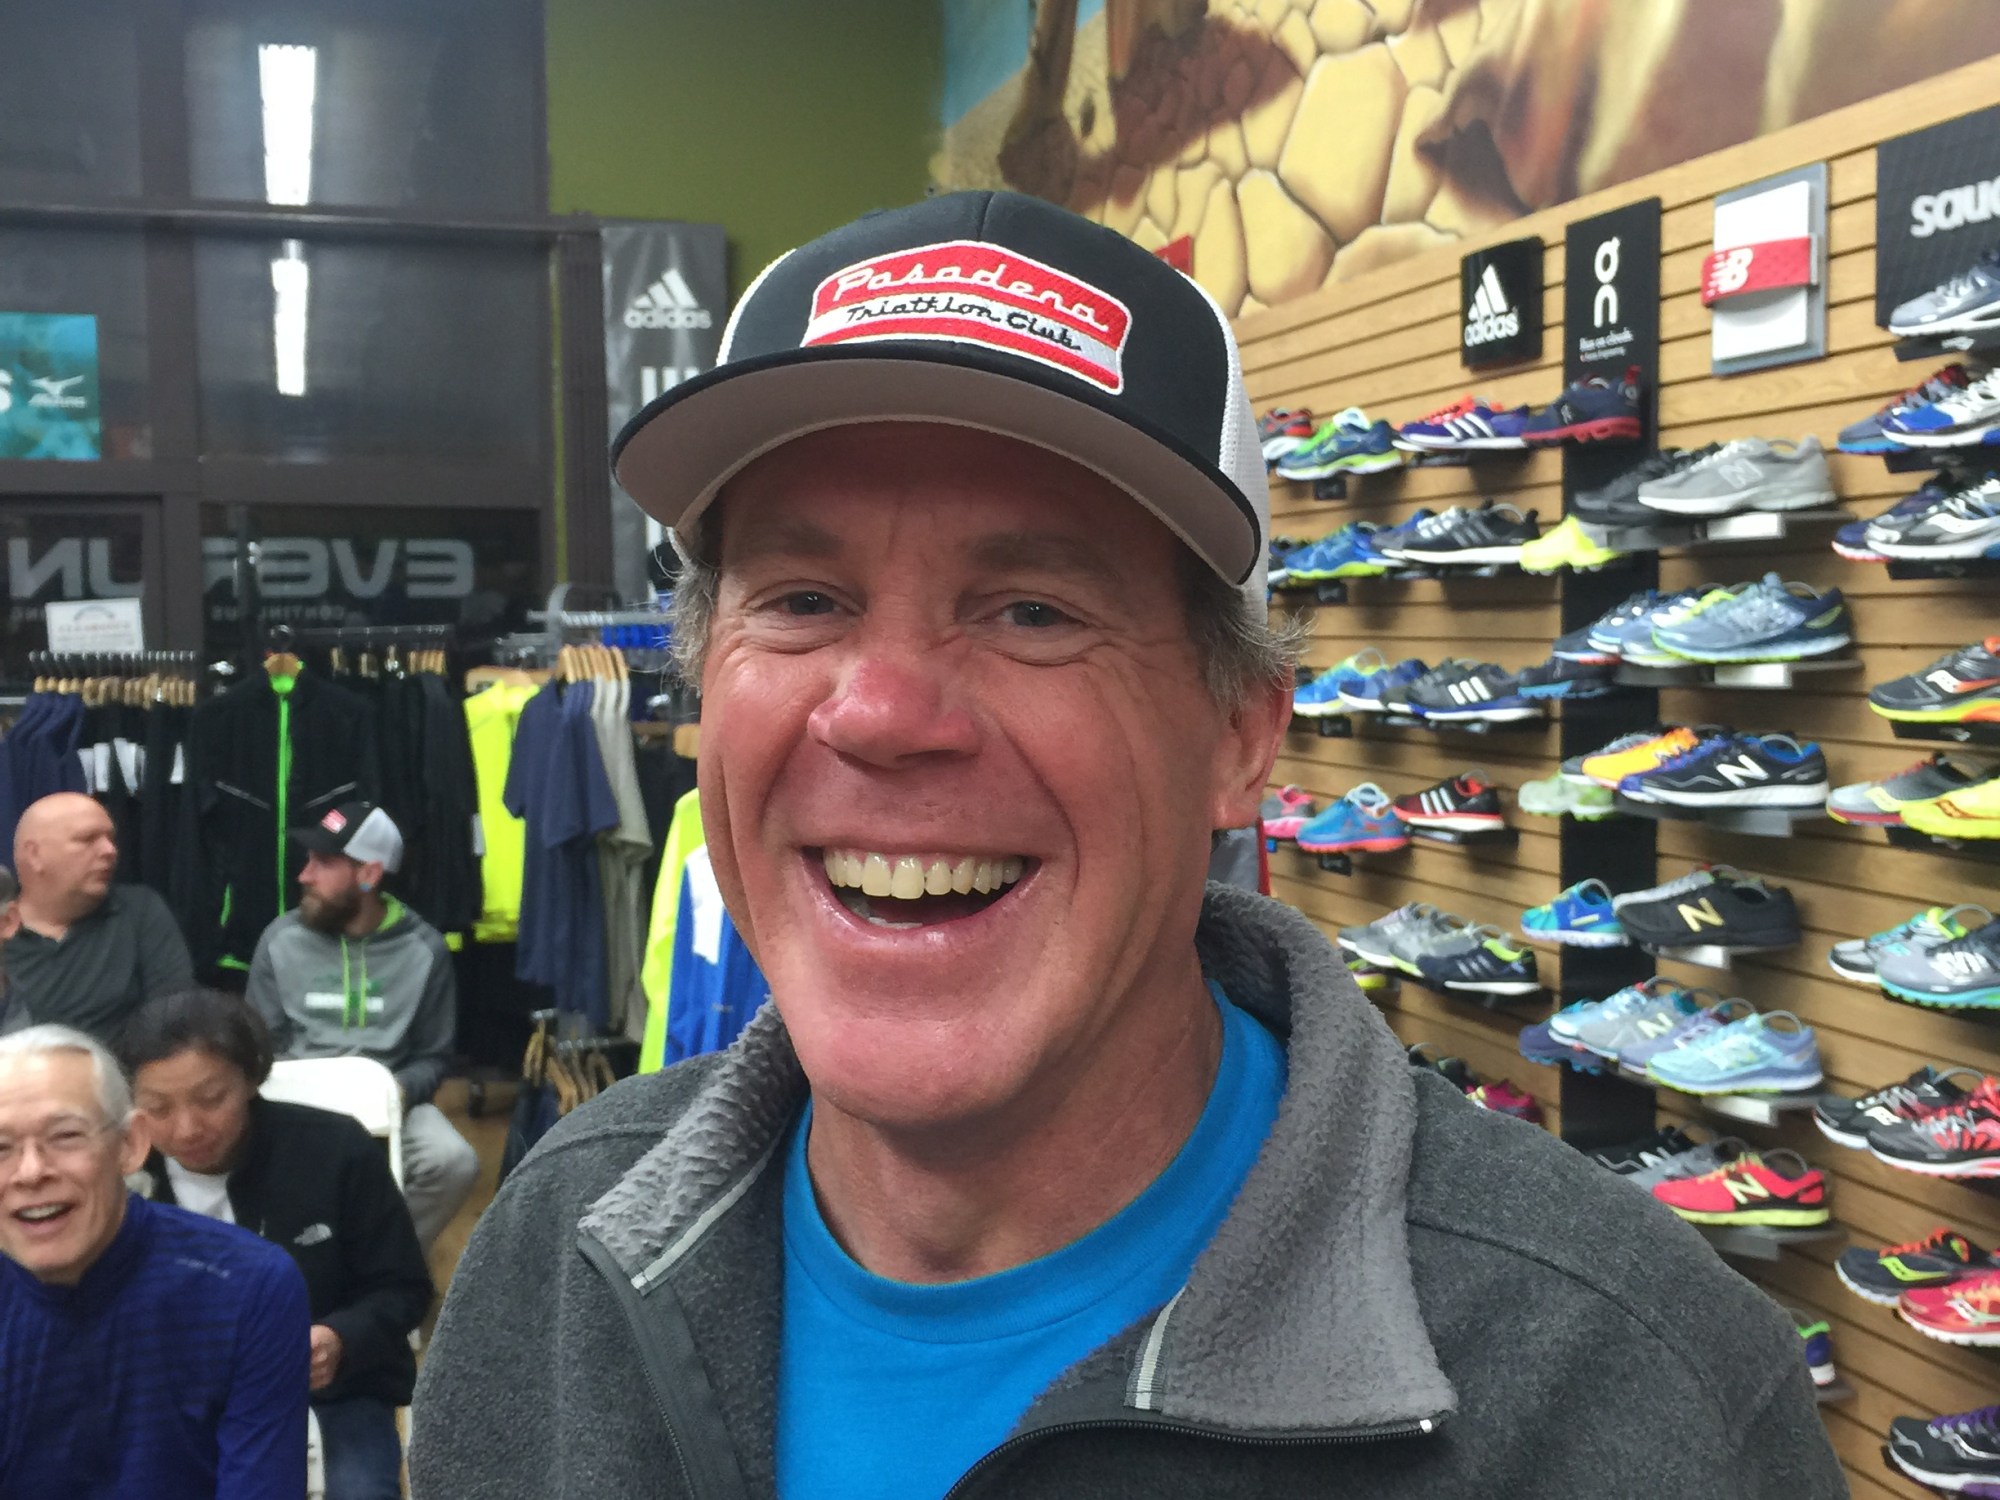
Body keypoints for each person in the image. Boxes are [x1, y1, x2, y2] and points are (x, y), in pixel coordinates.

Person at [410, 193, 1845, 1498]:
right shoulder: (556, 1251)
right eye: (800, 599)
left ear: (1238, 734)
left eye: (1033, 610)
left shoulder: (1627, 1388)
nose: (884, 712)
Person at [122, 988, 433, 1500]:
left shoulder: (335, 1151)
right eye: (157, 1108)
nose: (187, 1128)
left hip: (336, 1387)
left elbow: (403, 1287)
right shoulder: (119, 1176)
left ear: (251, 1078)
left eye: (210, 1099)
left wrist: (340, 1338)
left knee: (362, 1491)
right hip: (172, 1395)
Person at [0, 1023, 309, 1498]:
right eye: (1, 1148)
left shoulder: (246, 1286)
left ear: (130, 1145)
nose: (31, 1171)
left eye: (65, 1136)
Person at [248, 800, 480, 1255]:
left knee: (453, 1162)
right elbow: (260, 1047)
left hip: (391, 1098)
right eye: (308, 860)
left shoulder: (424, 949)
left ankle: (381, 1262)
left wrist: (392, 1093)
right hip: (295, 1106)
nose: (304, 875)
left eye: (323, 862)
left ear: (369, 875)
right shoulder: (279, 940)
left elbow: (434, 1056)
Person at [5, 792, 193, 1043]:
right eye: (87, 839)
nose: (110, 850)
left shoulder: (140, 911)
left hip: (126, 1067)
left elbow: (176, 1025)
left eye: (111, 839)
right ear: (35, 855)